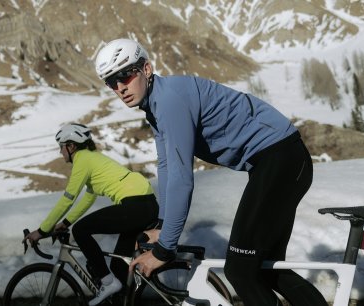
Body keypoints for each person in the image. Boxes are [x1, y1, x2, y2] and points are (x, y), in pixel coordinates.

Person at [93, 38, 325, 305]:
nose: (120, 87)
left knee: (240, 270)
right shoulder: (156, 107)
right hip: (279, 162)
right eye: (112, 82)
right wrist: (162, 225)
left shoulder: (169, 100)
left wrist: (165, 249)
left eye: (126, 75)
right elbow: (167, 166)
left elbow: (181, 180)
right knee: (264, 268)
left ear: (146, 69)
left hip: (280, 160)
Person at [25, 123, 159, 305]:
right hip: (144, 205)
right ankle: (122, 298)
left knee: (81, 230)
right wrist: (65, 223)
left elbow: (68, 199)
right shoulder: (93, 159)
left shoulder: (83, 159)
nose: (60, 152)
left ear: (71, 146)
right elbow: (89, 197)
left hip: (135, 206)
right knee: (118, 266)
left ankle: (107, 282)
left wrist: (41, 231)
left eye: (61, 147)